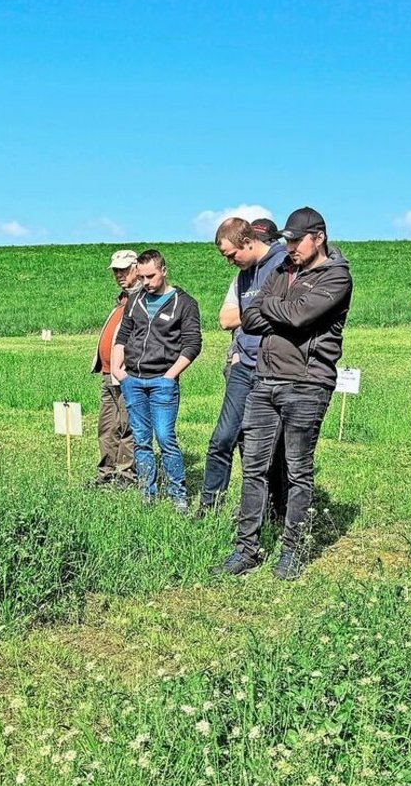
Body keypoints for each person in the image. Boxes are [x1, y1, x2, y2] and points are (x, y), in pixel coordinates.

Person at [214, 207, 353, 580]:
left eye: (296, 239)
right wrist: (280, 310)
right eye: (287, 239)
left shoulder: (337, 277)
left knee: (297, 470)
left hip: (307, 384)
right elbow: (251, 315)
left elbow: (300, 317)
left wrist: (274, 310)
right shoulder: (281, 270)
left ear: (318, 237)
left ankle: (292, 549)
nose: (289, 246)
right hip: (264, 380)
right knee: (254, 467)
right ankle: (246, 547)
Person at [197, 218, 289, 517]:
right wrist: (237, 349)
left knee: (264, 449)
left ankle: (268, 511)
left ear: (248, 242)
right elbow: (225, 319)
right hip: (242, 366)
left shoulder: (283, 264)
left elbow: (283, 311)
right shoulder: (243, 274)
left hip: (271, 368)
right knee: (222, 438)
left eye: (231, 255)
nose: (229, 262)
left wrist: (253, 314)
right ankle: (208, 508)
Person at [111, 249, 202, 511]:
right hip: (133, 380)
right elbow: (124, 335)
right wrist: (119, 370)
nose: (146, 282)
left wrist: (171, 375)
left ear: (164, 270)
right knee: (140, 439)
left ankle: (178, 494)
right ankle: (147, 493)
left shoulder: (184, 303)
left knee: (164, 437)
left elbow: (192, 344)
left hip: (163, 381)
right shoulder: (135, 300)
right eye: (141, 277)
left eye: (150, 276)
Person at [90, 249, 141, 488]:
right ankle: (105, 473)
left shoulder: (142, 299)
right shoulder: (122, 299)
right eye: (116, 270)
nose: (119, 274)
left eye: (123, 269)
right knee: (107, 425)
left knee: (126, 425)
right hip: (108, 372)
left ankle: (126, 475)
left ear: (136, 268)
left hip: (127, 372)